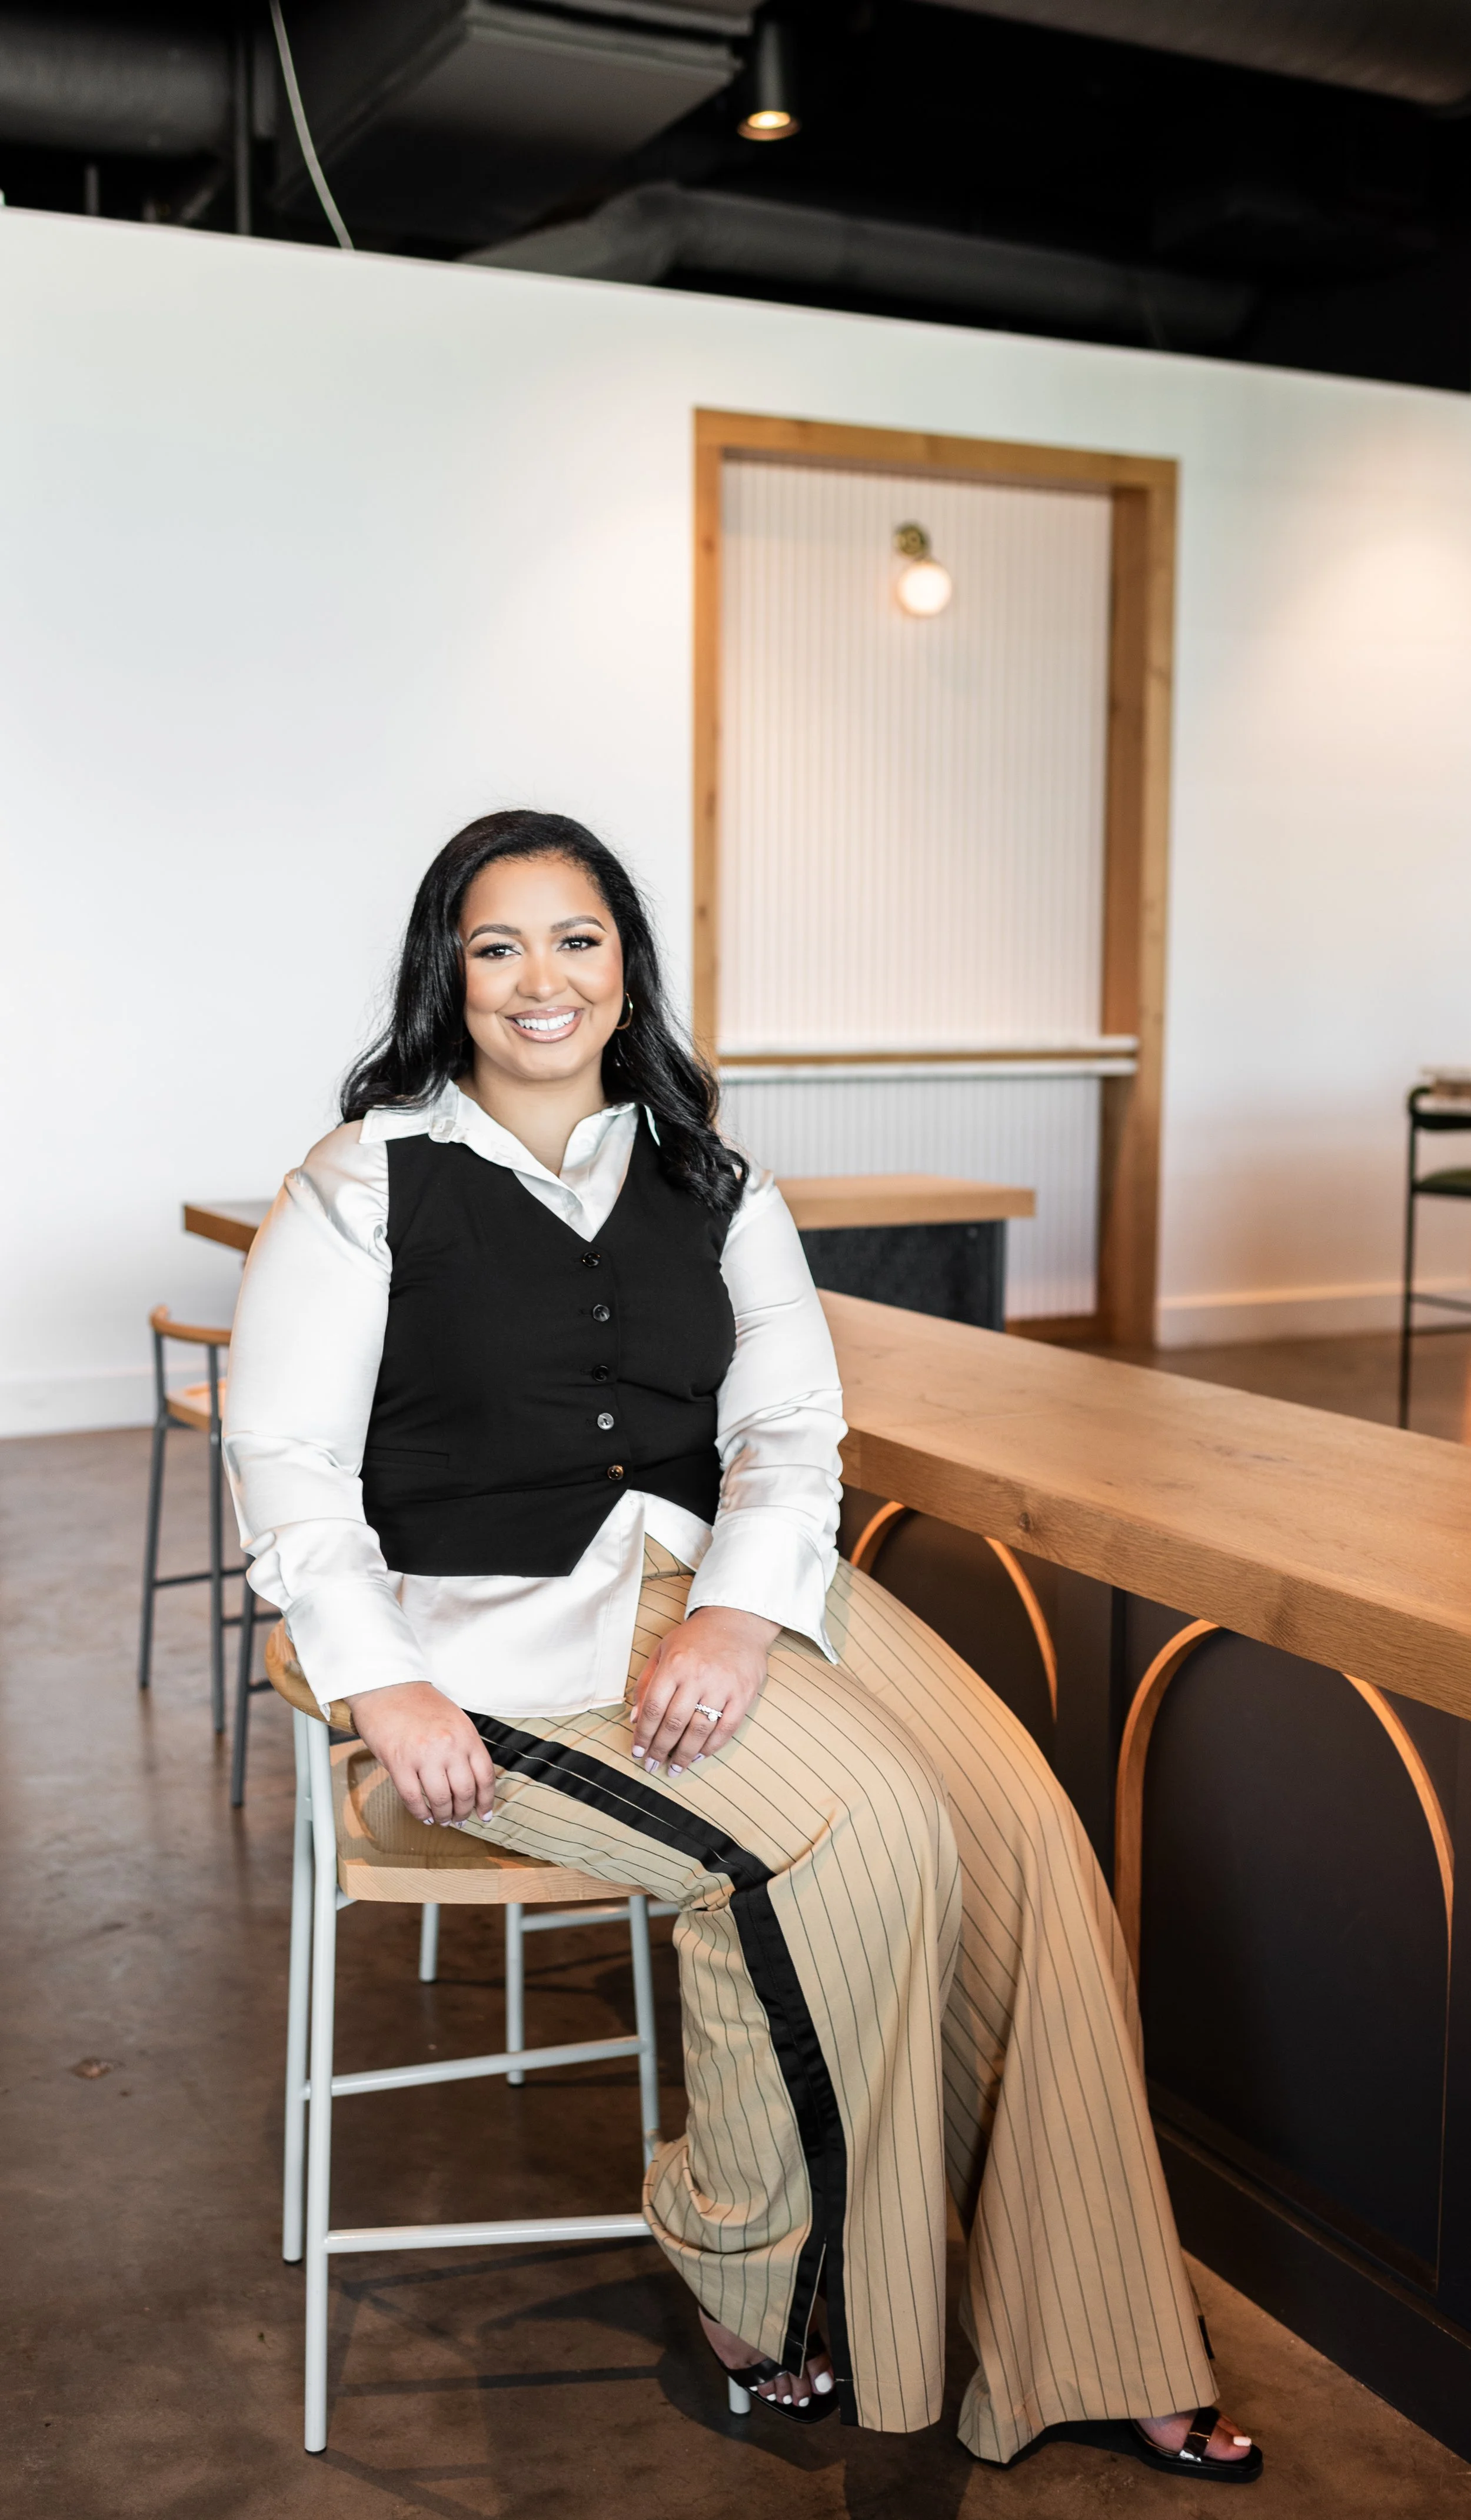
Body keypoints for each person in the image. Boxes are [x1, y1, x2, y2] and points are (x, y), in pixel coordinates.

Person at [224, 808, 1261, 2479]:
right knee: (852, 1840)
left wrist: (733, 1606)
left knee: (1025, 1832)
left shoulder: (713, 1173)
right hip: (490, 1636)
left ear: (626, 962)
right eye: (497, 945)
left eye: (576, 938)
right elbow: (284, 1459)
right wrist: (383, 1675)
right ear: (448, 974)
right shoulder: (360, 1183)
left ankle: (1094, 2319)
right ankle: (747, 2265)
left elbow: (787, 1422)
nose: (539, 978)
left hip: (721, 1584)